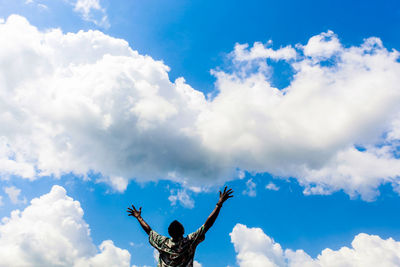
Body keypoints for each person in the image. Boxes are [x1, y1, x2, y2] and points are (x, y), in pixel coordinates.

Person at [127, 186, 234, 267]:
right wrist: (219, 204)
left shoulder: (163, 243)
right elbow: (207, 225)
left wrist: (139, 218)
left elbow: (149, 231)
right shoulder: (189, 241)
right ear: (183, 231)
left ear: (169, 232)